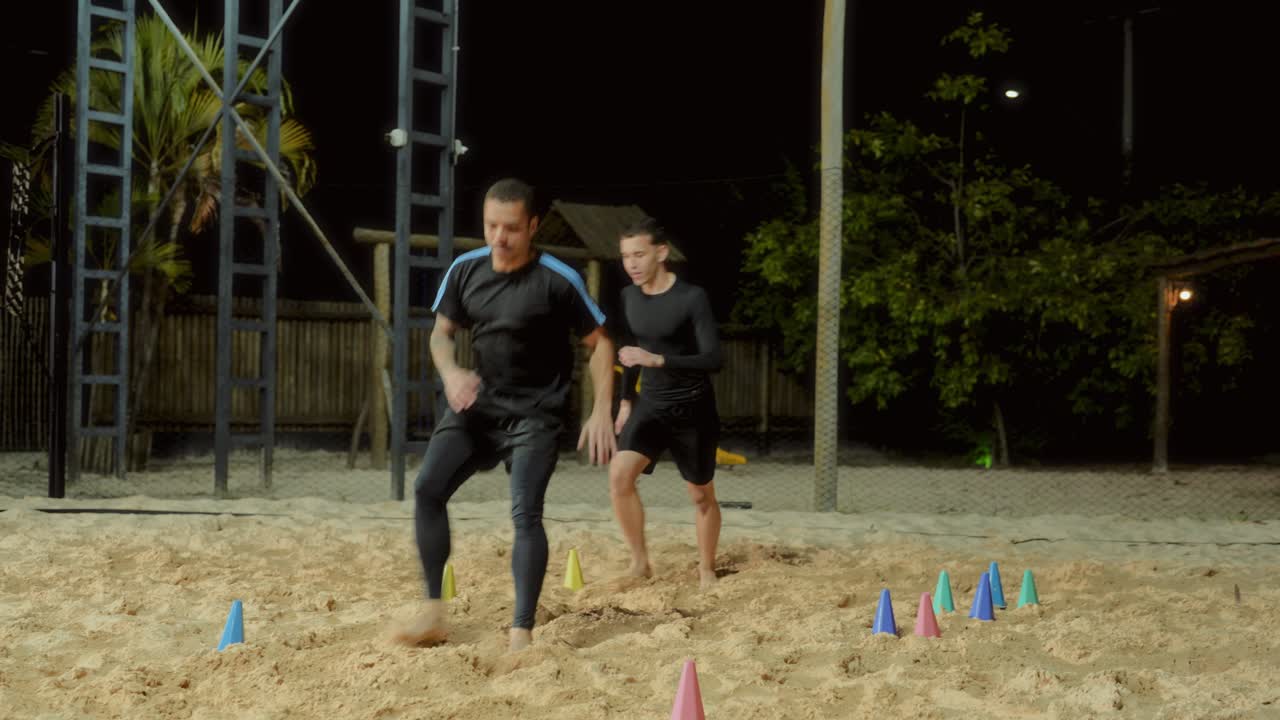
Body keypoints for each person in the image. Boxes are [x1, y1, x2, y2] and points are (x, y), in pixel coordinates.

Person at [392, 178, 617, 652]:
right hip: (478, 406)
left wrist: (601, 410)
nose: (499, 237)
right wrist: (452, 373)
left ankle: (521, 632)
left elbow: (600, 345)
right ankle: (433, 611)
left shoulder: (559, 279)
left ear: (532, 226)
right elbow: (440, 335)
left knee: (525, 515)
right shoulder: (464, 270)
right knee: (427, 489)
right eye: (492, 225)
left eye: (511, 228)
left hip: (535, 416)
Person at [609, 217, 723, 589]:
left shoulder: (692, 298)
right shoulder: (628, 298)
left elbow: (714, 360)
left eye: (639, 254)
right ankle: (640, 561)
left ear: (661, 252)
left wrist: (659, 360)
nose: (632, 264)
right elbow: (629, 354)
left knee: (700, 495)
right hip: (651, 405)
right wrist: (626, 401)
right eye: (626, 256)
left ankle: (706, 569)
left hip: (693, 408)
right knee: (619, 475)